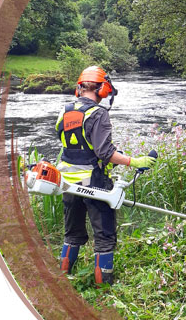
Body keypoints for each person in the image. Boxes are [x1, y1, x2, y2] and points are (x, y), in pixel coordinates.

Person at [55, 65, 155, 285]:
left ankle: (64, 278)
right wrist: (134, 161)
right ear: (102, 89)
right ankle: (103, 288)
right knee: (104, 235)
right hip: (93, 182)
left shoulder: (65, 110)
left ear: (79, 88)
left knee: (72, 233)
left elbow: (70, 142)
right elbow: (104, 153)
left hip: (67, 182)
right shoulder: (99, 113)